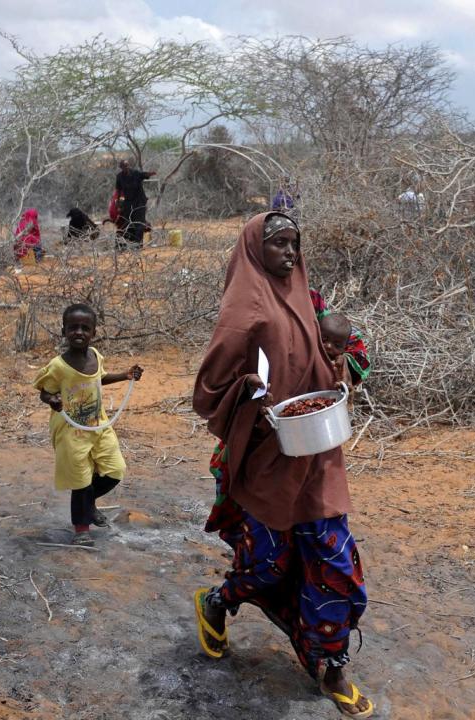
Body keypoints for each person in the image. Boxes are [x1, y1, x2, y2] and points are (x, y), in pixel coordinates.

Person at [191, 212, 373, 718]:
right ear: (254, 248)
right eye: (277, 244)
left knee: (335, 563)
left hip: (319, 454)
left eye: (294, 244)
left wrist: (341, 372)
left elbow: (349, 349)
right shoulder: (243, 306)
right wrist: (248, 393)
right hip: (268, 459)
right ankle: (218, 602)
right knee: (265, 565)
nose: (289, 254)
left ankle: (332, 665)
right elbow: (209, 391)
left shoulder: (310, 299)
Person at [33, 303, 144, 546]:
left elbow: (99, 378)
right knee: (81, 482)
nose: (79, 332)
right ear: (64, 331)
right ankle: (81, 530)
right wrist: (52, 400)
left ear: (94, 332)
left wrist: (125, 375)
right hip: (71, 431)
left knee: (115, 470)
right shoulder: (58, 366)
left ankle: (88, 504)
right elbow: (44, 391)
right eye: (73, 328)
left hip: (99, 426)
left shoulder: (95, 356)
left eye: (85, 328)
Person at [115, 160, 156, 249]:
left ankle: (138, 245)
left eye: (126, 166)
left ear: (128, 165)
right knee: (128, 222)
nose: (125, 168)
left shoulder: (136, 173)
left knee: (139, 223)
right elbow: (119, 190)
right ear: (121, 168)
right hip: (128, 202)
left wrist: (150, 173)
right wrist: (118, 202)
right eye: (123, 166)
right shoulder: (119, 177)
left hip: (139, 201)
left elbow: (143, 174)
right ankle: (128, 244)